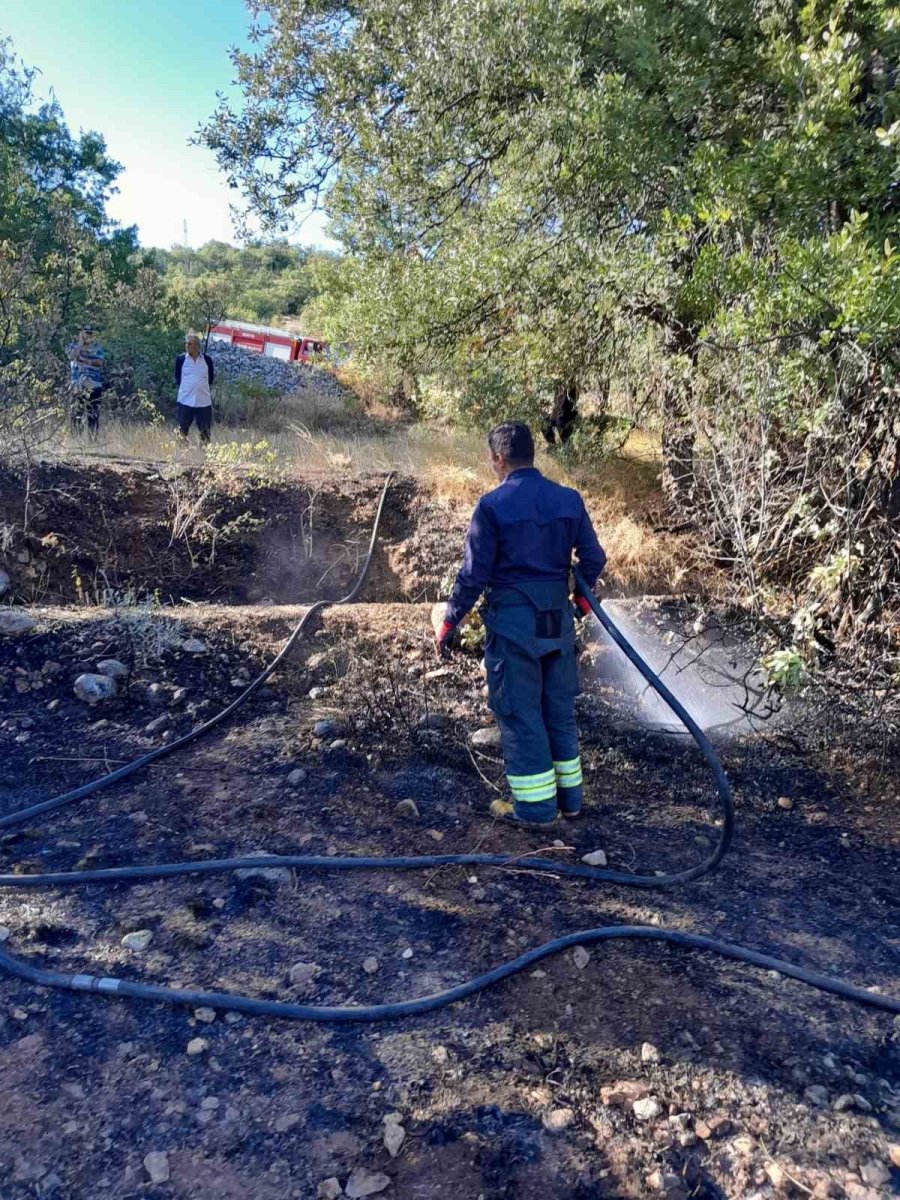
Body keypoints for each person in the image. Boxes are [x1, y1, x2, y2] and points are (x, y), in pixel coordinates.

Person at [436, 422, 607, 827]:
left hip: (515, 628)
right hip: (558, 624)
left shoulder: (492, 506)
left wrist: (449, 621)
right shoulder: (569, 499)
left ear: (498, 459)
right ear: (533, 455)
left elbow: (474, 576)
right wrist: (580, 603)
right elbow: (594, 558)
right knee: (558, 711)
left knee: (519, 712)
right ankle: (571, 802)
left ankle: (534, 809)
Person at [174, 333, 215, 444]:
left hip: (203, 401)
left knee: (205, 431)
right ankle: (182, 453)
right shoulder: (181, 360)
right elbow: (178, 378)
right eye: (186, 343)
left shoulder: (207, 360)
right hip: (185, 400)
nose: (186, 346)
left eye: (189, 343)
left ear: (196, 345)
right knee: (182, 429)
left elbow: (210, 379)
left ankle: (205, 453)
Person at [66, 327, 105, 437]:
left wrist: (84, 361)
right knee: (76, 414)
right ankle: (76, 440)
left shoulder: (97, 347)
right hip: (77, 385)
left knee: (93, 415)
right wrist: (80, 343)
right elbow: (72, 356)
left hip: (94, 385)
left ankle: (93, 441)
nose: (87, 335)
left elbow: (99, 362)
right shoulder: (73, 346)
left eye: (89, 333)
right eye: (84, 333)